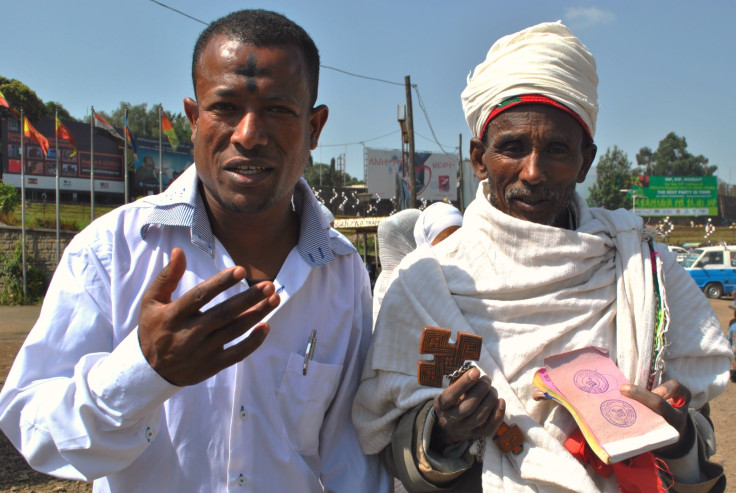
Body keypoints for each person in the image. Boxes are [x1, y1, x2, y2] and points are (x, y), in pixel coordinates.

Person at [0, 10, 388, 492]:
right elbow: (31, 429)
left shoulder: (341, 270)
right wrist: (144, 370)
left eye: (278, 110)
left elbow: (348, 458)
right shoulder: (111, 252)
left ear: (315, 126)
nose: (249, 135)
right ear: (193, 118)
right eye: (225, 107)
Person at [352, 21, 732, 492]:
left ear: (585, 160)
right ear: (478, 157)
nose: (532, 172)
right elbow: (391, 442)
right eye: (512, 148)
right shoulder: (428, 282)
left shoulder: (640, 268)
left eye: (556, 150)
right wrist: (444, 430)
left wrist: (674, 435)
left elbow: (695, 427)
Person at [729, 303, 736, 383]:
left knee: (734, 361)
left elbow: (730, 337)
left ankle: (733, 376)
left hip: (734, 346)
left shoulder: (732, 325)